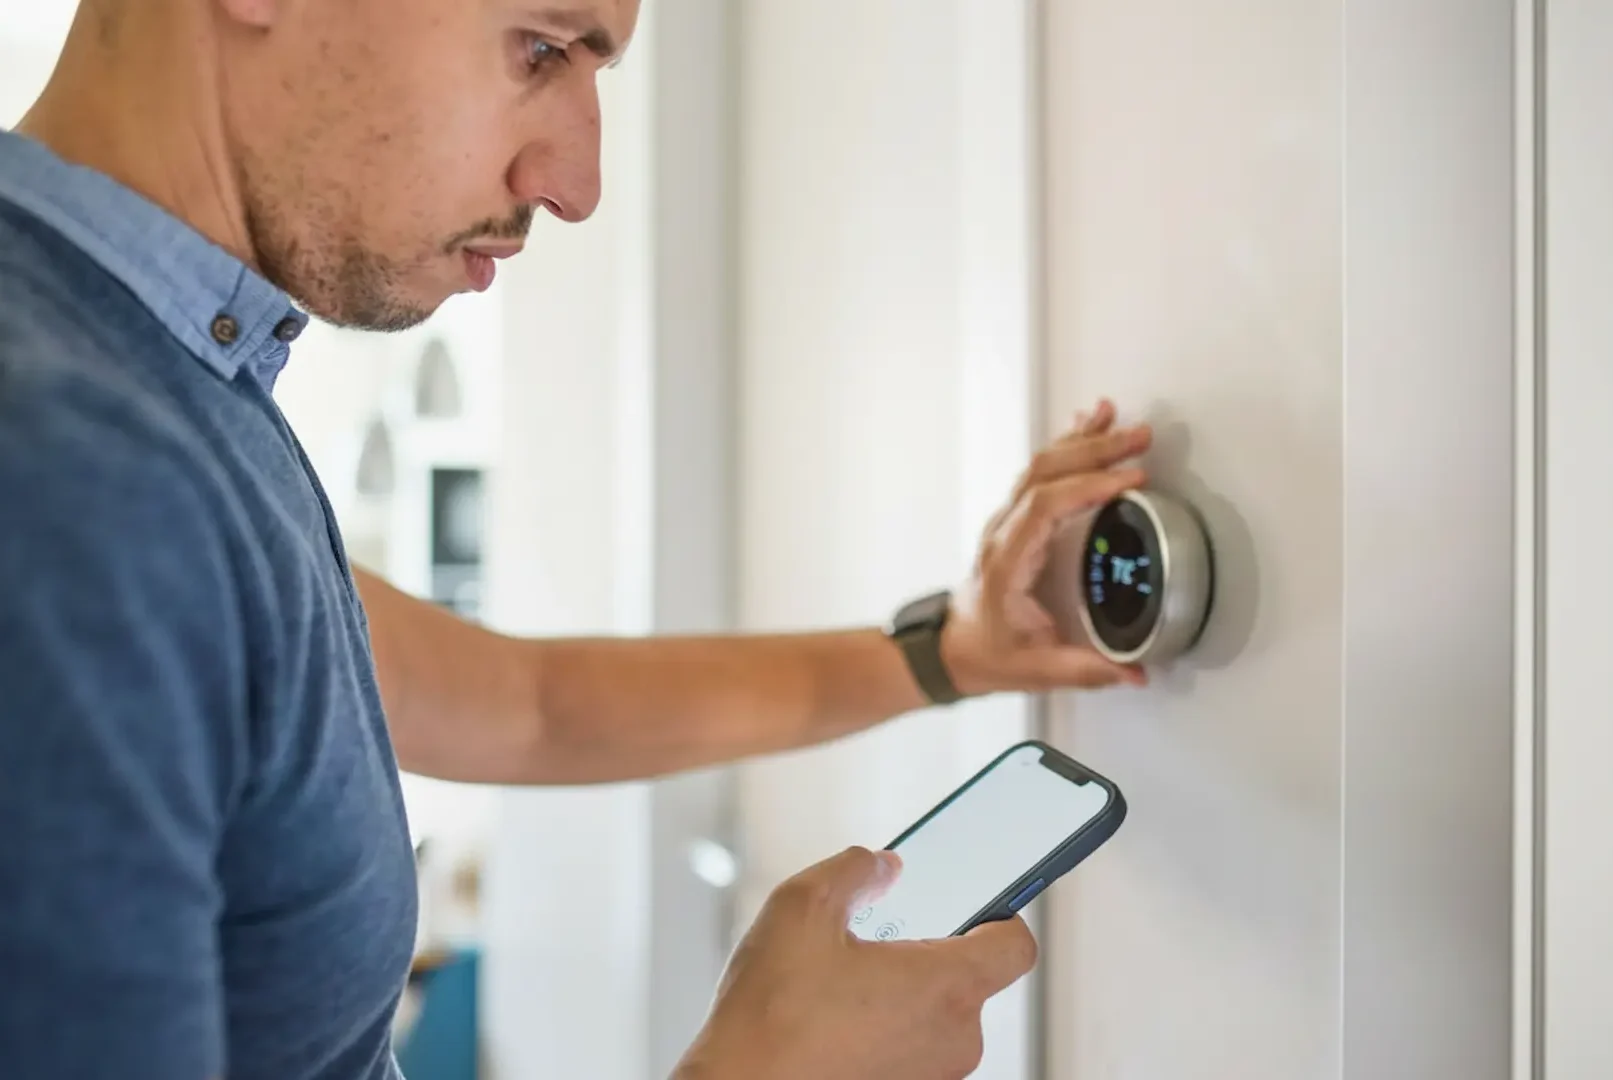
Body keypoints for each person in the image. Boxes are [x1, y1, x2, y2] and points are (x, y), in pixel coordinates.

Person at [0, 1, 1153, 1077]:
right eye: (541, 47)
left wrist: (947, 652)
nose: (576, 184)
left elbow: (522, 703)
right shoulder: (68, 478)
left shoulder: (169, 383)